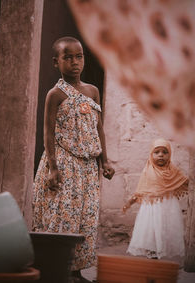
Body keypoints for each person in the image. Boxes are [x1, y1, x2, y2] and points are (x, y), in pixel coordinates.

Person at [32, 36, 115, 283]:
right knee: (62, 215)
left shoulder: (92, 91)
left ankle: (77, 271)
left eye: (79, 56)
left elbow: (98, 128)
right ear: (56, 62)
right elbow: (47, 132)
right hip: (64, 163)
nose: (75, 62)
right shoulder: (55, 94)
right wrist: (53, 168)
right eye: (68, 57)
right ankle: (56, 269)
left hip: (88, 167)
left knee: (86, 217)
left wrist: (106, 161)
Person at [123, 138, 188, 262]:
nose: (161, 155)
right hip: (151, 207)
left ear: (169, 154)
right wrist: (129, 203)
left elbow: (185, 182)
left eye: (165, 152)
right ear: (151, 154)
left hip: (168, 206)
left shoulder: (173, 171)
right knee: (152, 229)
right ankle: (152, 254)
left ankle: (164, 254)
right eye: (157, 152)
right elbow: (141, 190)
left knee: (167, 228)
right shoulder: (148, 171)